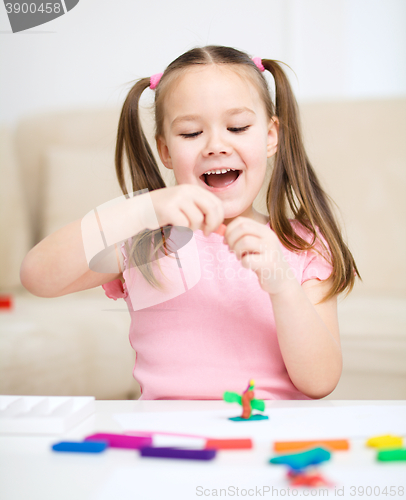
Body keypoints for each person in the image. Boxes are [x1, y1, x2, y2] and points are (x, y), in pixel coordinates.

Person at [20, 45, 359, 401]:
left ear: (271, 136)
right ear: (165, 150)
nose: (216, 145)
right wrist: (144, 208)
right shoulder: (146, 242)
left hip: (268, 442)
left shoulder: (301, 245)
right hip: (168, 444)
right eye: (191, 133)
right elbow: (37, 276)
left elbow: (320, 381)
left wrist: (282, 284)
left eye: (237, 127)